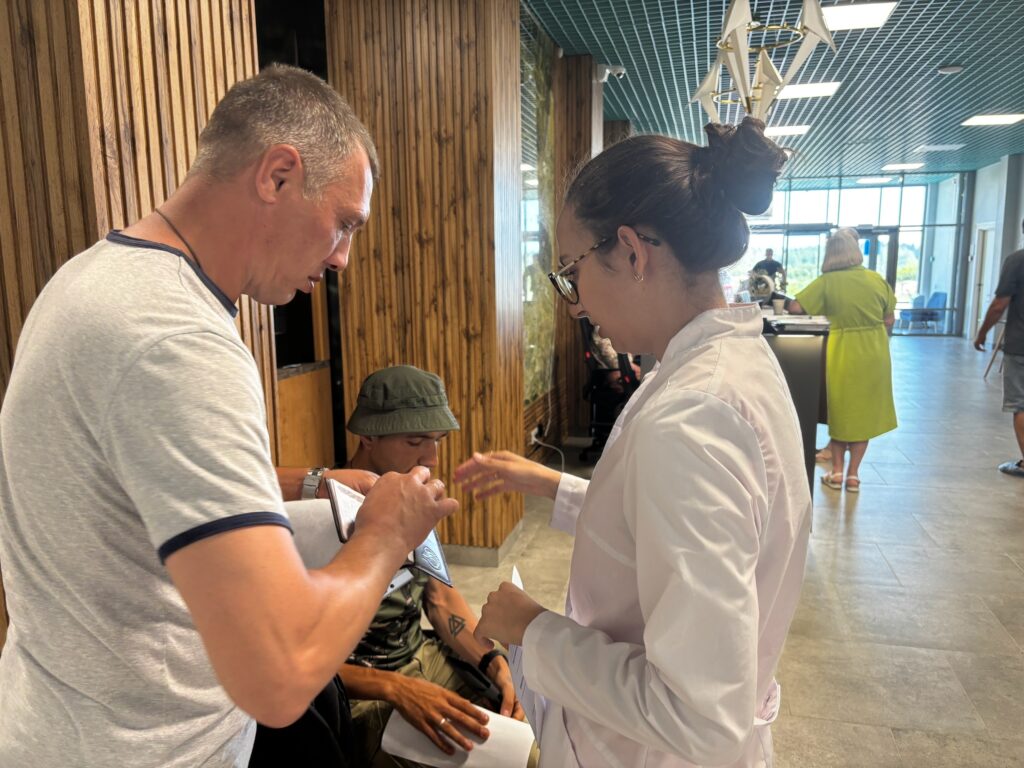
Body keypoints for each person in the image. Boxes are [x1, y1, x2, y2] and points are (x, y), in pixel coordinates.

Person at [0, 64, 457, 767]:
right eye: (343, 224)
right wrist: (387, 534)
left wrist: (313, 483)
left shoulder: (91, 279)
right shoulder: (177, 340)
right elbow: (281, 675)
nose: (343, 258)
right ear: (277, 175)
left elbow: (144, 483)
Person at [455, 117, 812, 768]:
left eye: (571, 271)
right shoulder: (730, 366)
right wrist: (549, 483)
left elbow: (699, 716)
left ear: (630, 253)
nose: (573, 302)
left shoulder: (692, 417)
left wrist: (532, 628)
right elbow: (653, 523)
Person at [335, 365, 534, 766]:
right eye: (415, 441)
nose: (433, 458)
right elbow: (288, 661)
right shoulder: (317, 514)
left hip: (424, 658)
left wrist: (493, 662)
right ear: (368, 436)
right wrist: (394, 687)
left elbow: (441, 599)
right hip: (361, 691)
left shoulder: (413, 497)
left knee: (535, 740)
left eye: (438, 441)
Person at [788, 227, 897, 491]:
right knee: (864, 416)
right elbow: (889, 319)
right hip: (875, 351)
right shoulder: (876, 279)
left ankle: (836, 473)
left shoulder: (828, 282)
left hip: (842, 349)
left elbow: (795, 307)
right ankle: (853, 475)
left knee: (841, 413)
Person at [974, 218, 1024, 477]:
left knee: (1021, 404)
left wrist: (982, 333)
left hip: (1021, 345)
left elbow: (999, 305)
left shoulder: (1017, 261)